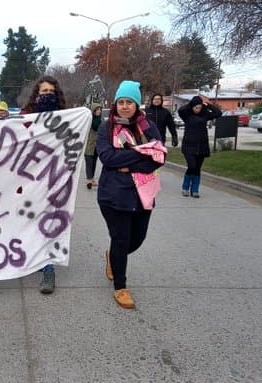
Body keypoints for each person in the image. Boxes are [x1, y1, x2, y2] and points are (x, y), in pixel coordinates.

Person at [96, 80, 165, 309]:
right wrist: (142, 154)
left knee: (137, 239)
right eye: (121, 102)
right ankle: (120, 286)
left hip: (143, 193)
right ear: (115, 104)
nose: (125, 106)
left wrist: (131, 162)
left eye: (129, 102)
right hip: (113, 194)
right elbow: (108, 158)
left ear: (137, 104)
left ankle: (112, 257)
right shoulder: (106, 128)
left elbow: (159, 157)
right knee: (121, 238)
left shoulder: (148, 128)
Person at [20, 75, 67, 294]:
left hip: (52, 180)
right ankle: (29, 255)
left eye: (50, 92)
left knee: (48, 222)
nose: (47, 95)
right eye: (43, 92)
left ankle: (48, 267)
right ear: (36, 95)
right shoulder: (25, 116)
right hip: (27, 180)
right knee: (28, 220)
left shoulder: (67, 118)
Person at [177, 95, 222, 198]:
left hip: (202, 145)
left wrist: (208, 105)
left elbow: (218, 113)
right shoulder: (186, 115)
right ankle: (185, 188)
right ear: (192, 106)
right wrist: (191, 104)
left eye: (199, 107)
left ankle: (195, 190)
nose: (198, 109)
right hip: (188, 145)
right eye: (196, 107)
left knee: (197, 168)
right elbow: (181, 109)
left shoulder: (205, 114)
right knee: (191, 166)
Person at [84, 105, 103, 189]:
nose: (99, 111)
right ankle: (89, 180)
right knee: (89, 162)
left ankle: (92, 179)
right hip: (89, 145)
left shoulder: (101, 120)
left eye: (100, 110)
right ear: (94, 111)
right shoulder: (89, 120)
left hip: (97, 145)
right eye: (97, 110)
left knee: (94, 163)